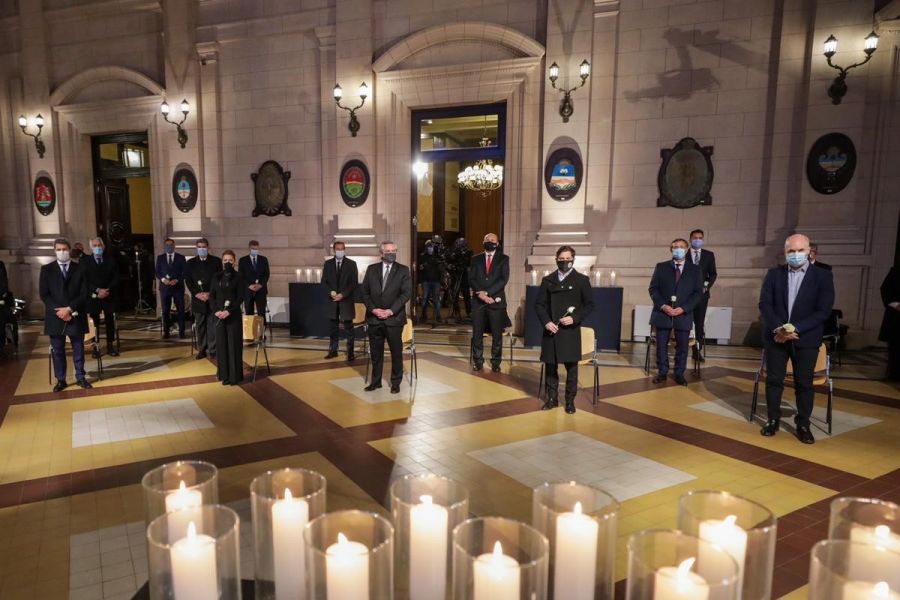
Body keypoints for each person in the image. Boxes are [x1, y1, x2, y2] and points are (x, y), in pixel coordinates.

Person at [758, 233, 835, 444]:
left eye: (800, 250)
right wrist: (780, 329)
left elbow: (823, 310)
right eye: (791, 251)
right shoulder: (774, 274)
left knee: (804, 383)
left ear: (809, 251)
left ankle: (803, 424)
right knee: (774, 380)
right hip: (777, 337)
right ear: (785, 252)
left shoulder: (823, 275)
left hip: (806, 338)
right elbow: (765, 304)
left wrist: (795, 329)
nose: (796, 254)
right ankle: (773, 419)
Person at [536, 246, 594, 414]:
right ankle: (552, 399)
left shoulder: (581, 280)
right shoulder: (548, 280)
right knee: (551, 366)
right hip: (551, 330)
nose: (564, 262)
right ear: (556, 259)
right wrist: (546, 322)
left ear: (573, 259)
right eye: (561, 259)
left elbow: (590, 304)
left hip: (570, 331)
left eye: (567, 259)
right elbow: (539, 304)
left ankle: (569, 401)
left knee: (572, 369)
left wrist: (574, 318)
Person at [648, 238, 703, 386]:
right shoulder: (661, 267)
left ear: (686, 249)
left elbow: (698, 293)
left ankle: (679, 373)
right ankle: (662, 372)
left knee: (683, 346)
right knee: (661, 345)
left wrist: (684, 308)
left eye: (681, 247)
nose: (678, 249)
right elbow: (653, 289)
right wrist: (663, 306)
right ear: (671, 250)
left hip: (683, 313)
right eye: (675, 247)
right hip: (663, 313)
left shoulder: (695, 269)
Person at [40, 238, 91, 391]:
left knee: (78, 348)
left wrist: (69, 309)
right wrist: (60, 311)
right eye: (58, 249)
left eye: (64, 249)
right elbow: (44, 294)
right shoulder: (47, 269)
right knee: (58, 350)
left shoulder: (80, 268)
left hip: (75, 313)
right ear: (54, 251)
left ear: (69, 250)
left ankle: (80, 377)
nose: (62, 252)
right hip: (55, 316)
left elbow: (84, 292)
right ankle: (61, 379)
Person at [362, 241, 411, 393]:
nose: (391, 253)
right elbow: (364, 292)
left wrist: (390, 311)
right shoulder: (371, 269)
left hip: (394, 319)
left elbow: (406, 294)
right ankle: (376, 382)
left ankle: (395, 383)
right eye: (388, 251)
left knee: (396, 353)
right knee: (376, 353)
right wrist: (373, 309)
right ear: (381, 253)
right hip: (374, 318)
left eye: (394, 251)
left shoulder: (403, 270)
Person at [469, 233, 511, 373]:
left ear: (497, 243)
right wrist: (480, 294)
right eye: (487, 239)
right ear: (483, 242)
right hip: (478, 302)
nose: (489, 241)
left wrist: (487, 293)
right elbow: (472, 279)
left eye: (492, 240)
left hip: (495, 301)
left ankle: (495, 362)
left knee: (497, 335)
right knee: (477, 334)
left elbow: (503, 279)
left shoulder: (503, 259)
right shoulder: (475, 259)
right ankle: (478, 361)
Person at [209, 250, 245, 385]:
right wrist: (216, 311)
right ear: (222, 261)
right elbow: (211, 296)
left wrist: (228, 311)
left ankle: (234, 377)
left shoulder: (239, 276)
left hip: (233, 316)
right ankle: (224, 375)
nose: (227, 262)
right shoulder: (216, 276)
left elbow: (240, 297)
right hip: (219, 316)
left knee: (233, 346)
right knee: (221, 346)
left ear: (234, 261)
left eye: (230, 260)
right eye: (225, 260)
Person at [185, 238, 222, 359]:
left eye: (204, 247)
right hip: (198, 299)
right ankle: (202, 349)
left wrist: (209, 294)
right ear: (196, 248)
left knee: (212, 325)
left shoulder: (216, 261)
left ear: (208, 247)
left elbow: (219, 279)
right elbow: (188, 280)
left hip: (212, 299)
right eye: (199, 247)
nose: (202, 249)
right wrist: (197, 293)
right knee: (200, 325)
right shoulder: (190, 263)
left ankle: (213, 349)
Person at [322, 241, 358, 360]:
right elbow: (324, 282)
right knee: (333, 328)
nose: (340, 251)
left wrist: (343, 294)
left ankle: (350, 353)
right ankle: (333, 351)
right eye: (338, 249)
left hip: (346, 301)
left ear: (344, 249)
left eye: (342, 249)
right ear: (334, 250)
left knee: (349, 329)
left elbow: (353, 283)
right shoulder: (328, 264)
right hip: (332, 301)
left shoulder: (351, 264)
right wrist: (331, 293)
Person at [84, 237, 120, 357]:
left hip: (108, 295)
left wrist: (107, 290)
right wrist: (97, 290)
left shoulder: (111, 260)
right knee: (94, 323)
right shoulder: (85, 262)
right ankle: (96, 347)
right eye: (95, 246)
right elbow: (84, 281)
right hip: (93, 296)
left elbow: (116, 278)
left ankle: (110, 346)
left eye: (99, 245)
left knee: (110, 321)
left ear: (103, 246)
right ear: (91, 248)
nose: (97, 247)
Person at [688, 229, 717, 362]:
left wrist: (707, 286)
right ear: (690, 239)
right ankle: (682, 347)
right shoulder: (684, 254)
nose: (698, 240)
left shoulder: (709, 255)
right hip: (686, 296)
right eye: (695, 238)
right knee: (685, 322)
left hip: (702, 295)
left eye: (700, 238)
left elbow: (713, 274)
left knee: (699, 323)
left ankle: (697, 351)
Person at [156, 238, 187, 338]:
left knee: (181, 310)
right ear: (164, 246)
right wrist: (163, 280)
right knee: (165, 311)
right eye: (167, 245)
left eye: (171, 245)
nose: (169, 247)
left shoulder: (181, 257)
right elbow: (157, 272)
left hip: (178, 288)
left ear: (174, 246)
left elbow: (185, 272)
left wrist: (177, 280)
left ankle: (182, 332)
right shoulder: (160, 258)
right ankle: (166, 332)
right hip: (165, 288)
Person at [239, 240, 270, 322]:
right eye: (253, 249)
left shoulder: (264, 259)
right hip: (248, 290)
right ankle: (250, 330)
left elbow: (266, 274)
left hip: (261, 290)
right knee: (249, 312)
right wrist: (249, 285)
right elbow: (241, 275)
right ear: (249, 248)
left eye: (256, 249)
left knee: (261, 312)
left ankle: (262, 330)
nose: (255, 250)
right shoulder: (242, 260)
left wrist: (260, 285)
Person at [879, 267, 900, 381]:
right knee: (895, 348)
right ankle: (894, 374)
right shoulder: (896, 271)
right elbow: (885, 289)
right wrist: (896, 305)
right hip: (896, 317)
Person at [419, 239, 446, 324]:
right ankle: (424, 316)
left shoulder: (438, 257)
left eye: (432, 247)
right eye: (429, 247)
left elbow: (442, 269)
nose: (430, 248)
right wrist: (422, 267)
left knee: (436, 299)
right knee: (425, 298)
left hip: (436, 281)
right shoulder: (423, 256)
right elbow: (419, 268)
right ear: (426, 248)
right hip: (426, 281)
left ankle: (438, 316)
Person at [448, 237, 472, 320]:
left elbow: (469, 263)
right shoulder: (454, 252)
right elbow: (450, 261)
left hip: (464, 276)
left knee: (467, 296)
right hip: (455, 276)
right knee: (455, 296)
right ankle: (456, 312)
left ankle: (469, 312)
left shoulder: (468, 252)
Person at [0, 259, 8, 358]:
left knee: (1, 326)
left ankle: (1, 348)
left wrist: (3, 293)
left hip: (0, 300)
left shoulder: (1, 264)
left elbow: (5, 280)